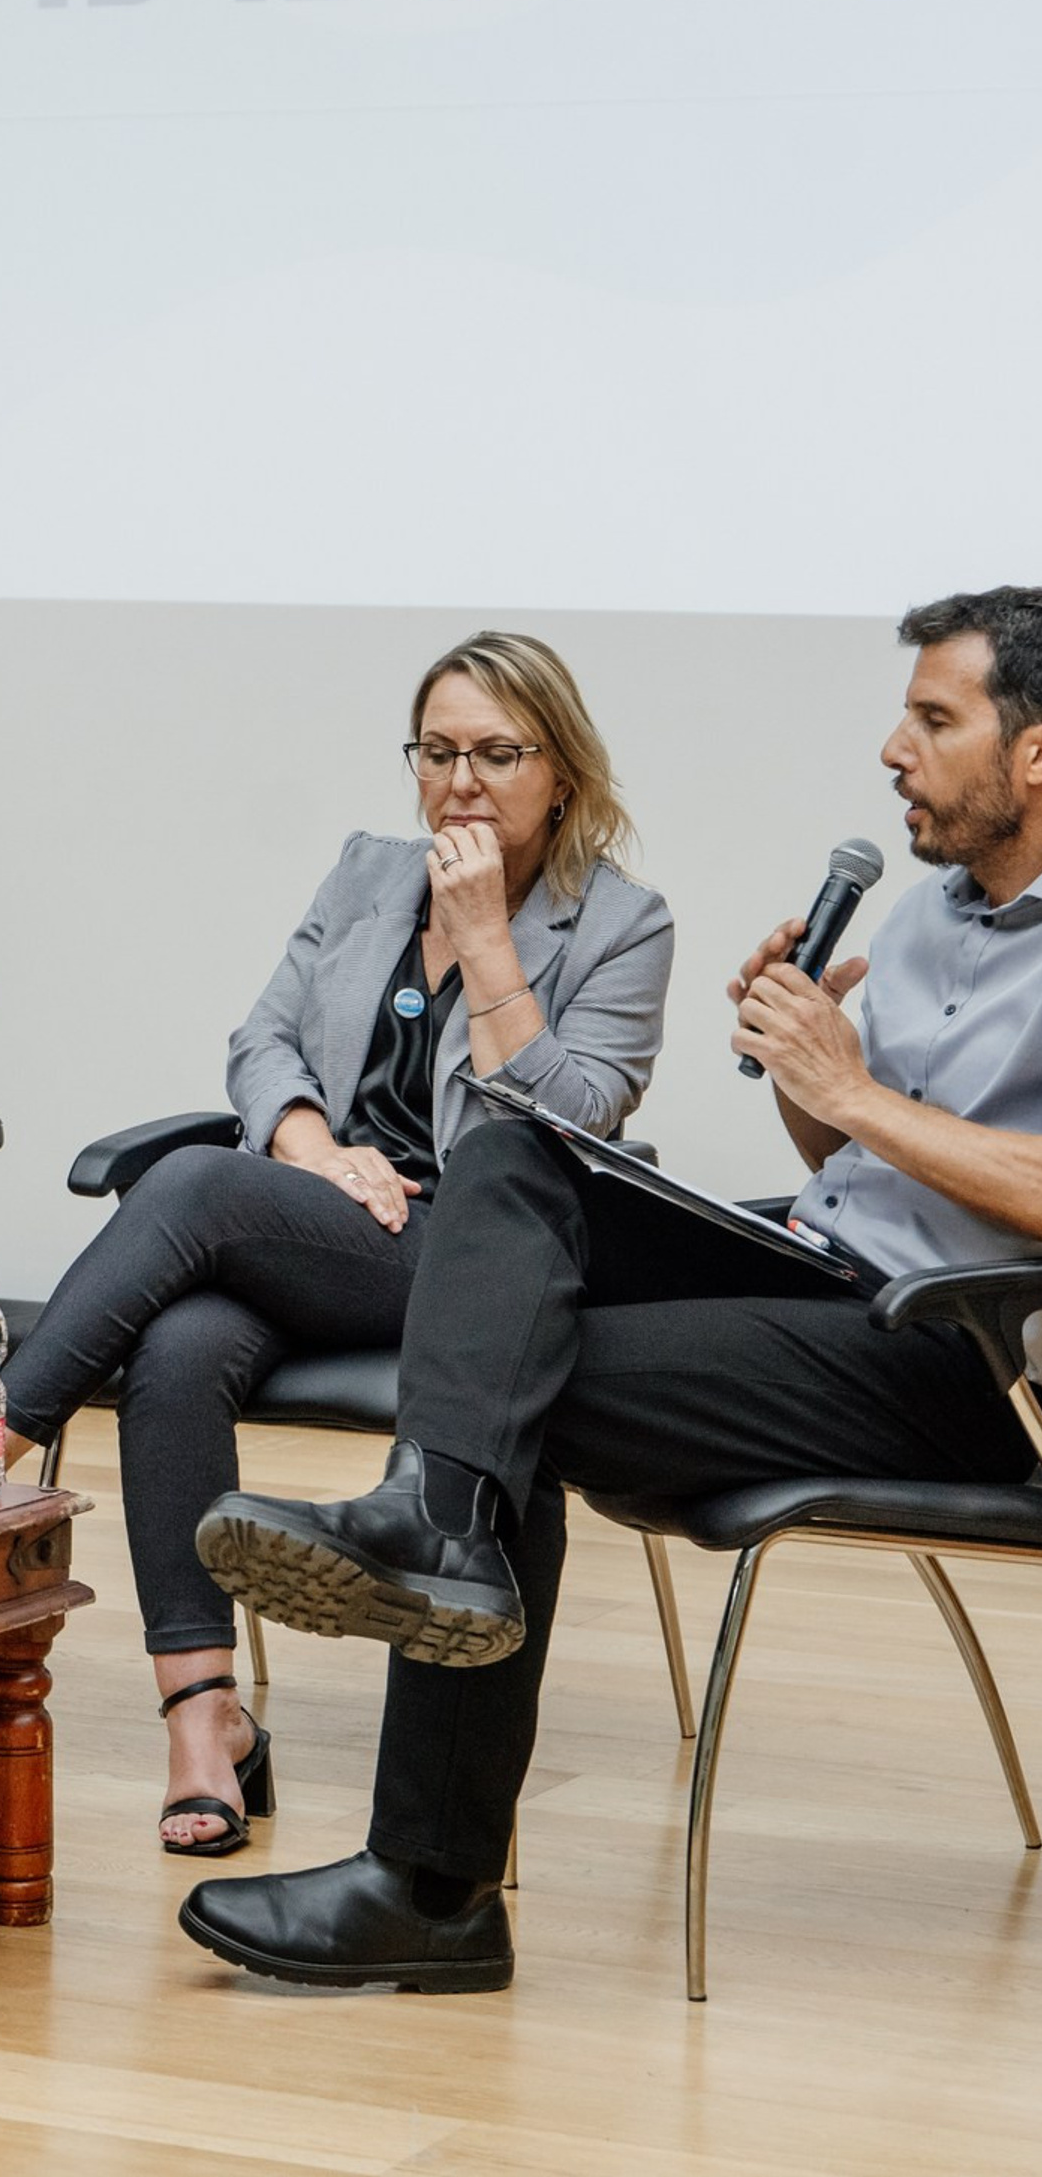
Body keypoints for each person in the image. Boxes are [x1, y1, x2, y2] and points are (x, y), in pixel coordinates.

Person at [185, 586, 1042, 1993]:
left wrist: (856, 1097)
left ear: (1035, 753)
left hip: (970, 1356)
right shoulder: (935, 918)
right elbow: (851, 1152)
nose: (895, 748)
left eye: (933, 719)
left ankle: (431, 1875)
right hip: (827, 1265)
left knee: (494, 1385)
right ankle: (438, 1534)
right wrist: (810, 1070)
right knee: (524, 1148)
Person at [0, 633, 673, 1856]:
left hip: (474, 1268)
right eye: (438, 751)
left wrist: (486, 941)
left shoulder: (622, 923)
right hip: (325, 1220)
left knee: (196, 1180)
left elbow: (575, 1119)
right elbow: (261, 1041)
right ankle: (206, 1727)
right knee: (180, 1348)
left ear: (562, 771)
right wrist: (313, 1146)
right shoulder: (369, 871)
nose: (461, 781)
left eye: (497, 753)